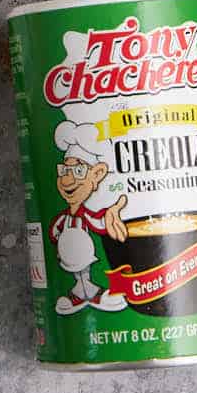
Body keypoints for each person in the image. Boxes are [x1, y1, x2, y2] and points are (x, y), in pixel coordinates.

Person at [48, 120, 128, 315]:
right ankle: (77, 296)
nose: (67, 180)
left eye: (78, 171)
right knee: (77, 273)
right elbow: (53, 231)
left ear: (97, 174)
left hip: (84, 254)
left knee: (84, 271)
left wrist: (110, 214)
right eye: (64, 171)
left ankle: (94, 294)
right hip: (68, 255)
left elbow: (98, 223)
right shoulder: (63, 218)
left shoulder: (85, 215)